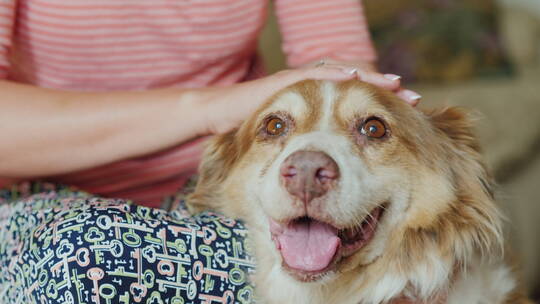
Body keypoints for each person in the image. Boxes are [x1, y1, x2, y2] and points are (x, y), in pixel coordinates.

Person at [0, 1, 421, 303]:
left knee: (395, 267)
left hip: (214, 202)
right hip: (36, 202)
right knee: (86, 256)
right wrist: (215, 107)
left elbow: (338, 68)